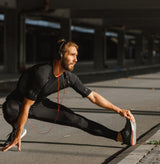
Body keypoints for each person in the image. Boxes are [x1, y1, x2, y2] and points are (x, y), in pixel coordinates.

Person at [1, 39, 136, 152]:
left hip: (38, 104)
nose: (75, 59)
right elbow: (26, 105)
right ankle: (16, 130)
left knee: (76, 120)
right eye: (72, 55)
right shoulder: (42, 74)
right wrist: (18, 134)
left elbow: (93, 96)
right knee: (9, 108)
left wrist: (118, 110)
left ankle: (120, 137)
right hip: (18, 104)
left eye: (76, 55)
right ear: (60, 55)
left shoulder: (69, 77)